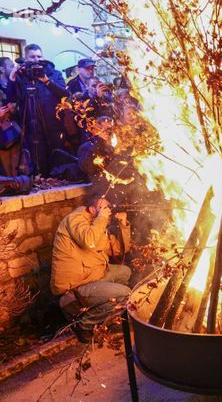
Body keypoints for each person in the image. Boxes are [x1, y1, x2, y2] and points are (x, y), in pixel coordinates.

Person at [51, 196, 132, 342]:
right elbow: (89, 241)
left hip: (93, 278)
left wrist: (123, 224)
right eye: (106, 207)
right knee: (125, 294)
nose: (109, 213)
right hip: (76, 289)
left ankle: (105, 314)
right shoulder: (75, 219)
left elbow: (121, 249)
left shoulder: (98, 227)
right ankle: (84, 325)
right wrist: (101, 218)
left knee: (124, 272)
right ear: (97, 205)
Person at [5, 43, 69, 176]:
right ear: (26, 59)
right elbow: (11, 99)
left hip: (54, 124)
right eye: (32, 57)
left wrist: (46, 81)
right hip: (32, 126)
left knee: (58, 157)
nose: (36, 60)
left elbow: (65, 94)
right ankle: (42, 180)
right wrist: (12, 79)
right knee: (38, 161)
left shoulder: (54, 73)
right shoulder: (22, 76)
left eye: (39, 56)